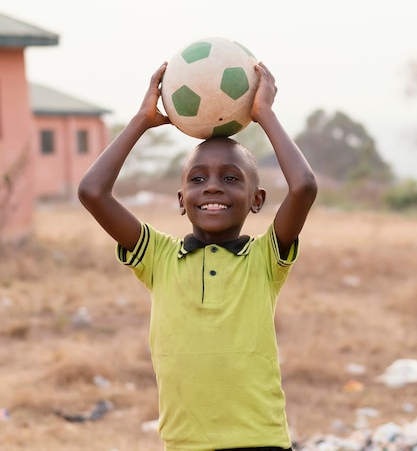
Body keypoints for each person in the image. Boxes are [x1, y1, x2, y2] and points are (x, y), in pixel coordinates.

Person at [78, 60, 318, 451]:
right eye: (197, 178)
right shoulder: (157, 257)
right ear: (181, 199)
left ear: (257, 200)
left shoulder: (264, 260)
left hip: (259, 441)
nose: (212, 188)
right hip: (184, 443)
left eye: (230, 178)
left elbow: (304, 186)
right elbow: (92, 192)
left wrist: (265, 115)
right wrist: (141, 120)